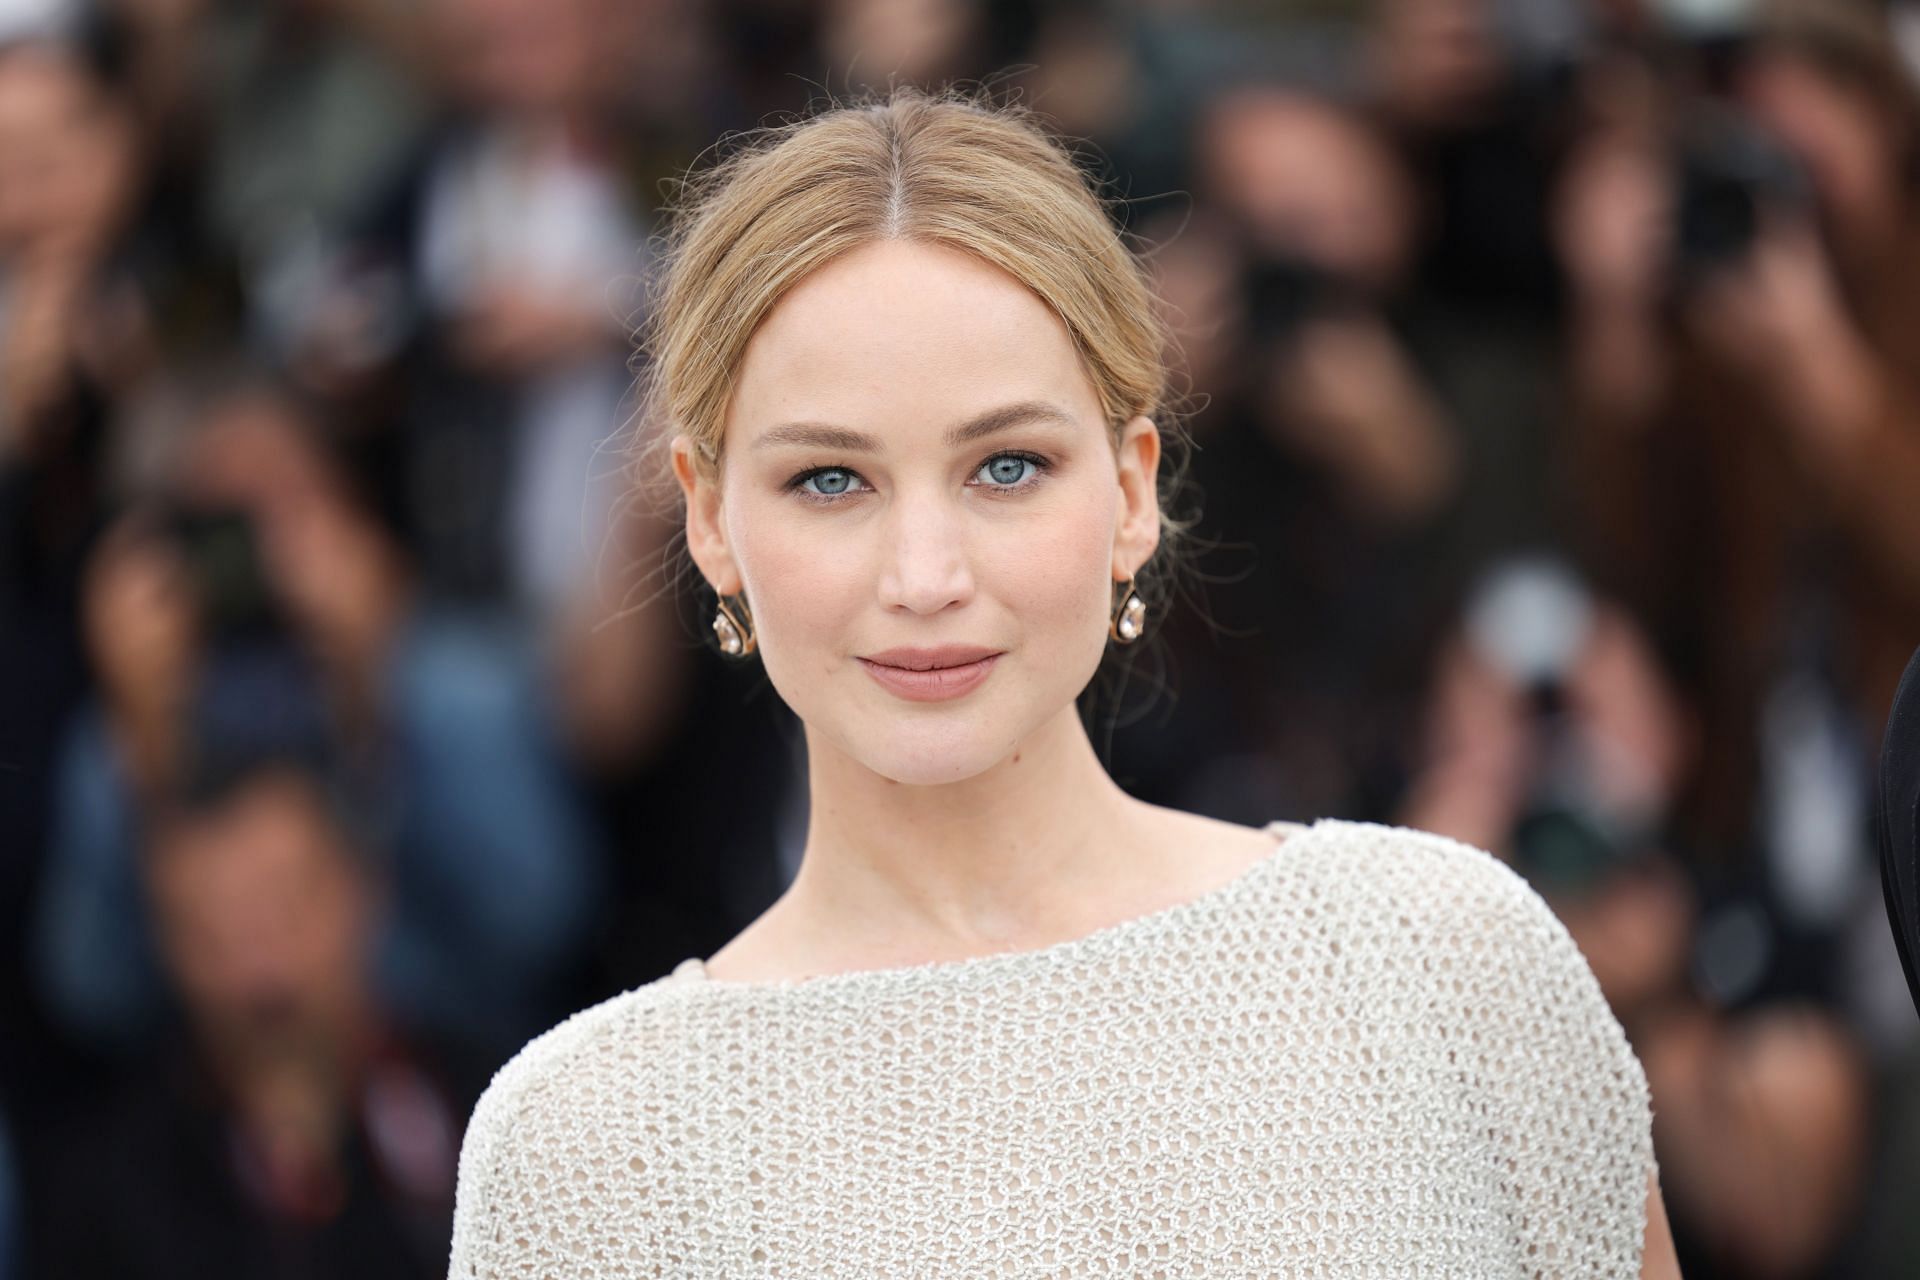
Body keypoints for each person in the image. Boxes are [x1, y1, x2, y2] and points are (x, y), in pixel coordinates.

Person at [447, 86, 1680, 1277]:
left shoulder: (1442, 955)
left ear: (1133, 489)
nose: (924, 574)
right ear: (710, 522)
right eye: (830, 478)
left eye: (1007, 466)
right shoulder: (588, 1150)